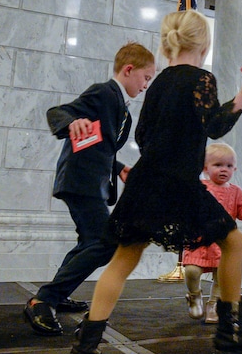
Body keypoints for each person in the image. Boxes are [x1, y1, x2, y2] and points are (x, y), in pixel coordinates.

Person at [65, 9, 242, 354]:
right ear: (204, 44)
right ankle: (230, 331)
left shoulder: (159, 82)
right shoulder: (200, 79)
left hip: (146, 182)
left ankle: (85, 345)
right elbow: (215, 124)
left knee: (122, 260)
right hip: (179, 185)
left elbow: (142, 135)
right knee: (234, 241)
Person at [23, 43, 155, 336]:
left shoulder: (123, 111)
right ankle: (43, 300)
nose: (146, 85)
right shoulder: (104, 92)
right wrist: (73, 121)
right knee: (104, 242)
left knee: (89, 242)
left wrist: (118, 166)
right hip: (81, 181)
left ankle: (58, 295)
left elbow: (102, 145)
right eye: (146, 78)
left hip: (92, 182)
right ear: (129, 70)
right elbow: (58, 112)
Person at [183, 143, 242, 324]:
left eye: (229, 166)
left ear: (235, 169)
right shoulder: (200, 187)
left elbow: (240, 214)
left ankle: (213, 305)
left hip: (223, 242)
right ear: (205, 168)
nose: (224, 169)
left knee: (220, 275)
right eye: (218, 165)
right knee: (192, 270)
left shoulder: (236, 191)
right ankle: (194, 295)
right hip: (199, 240)